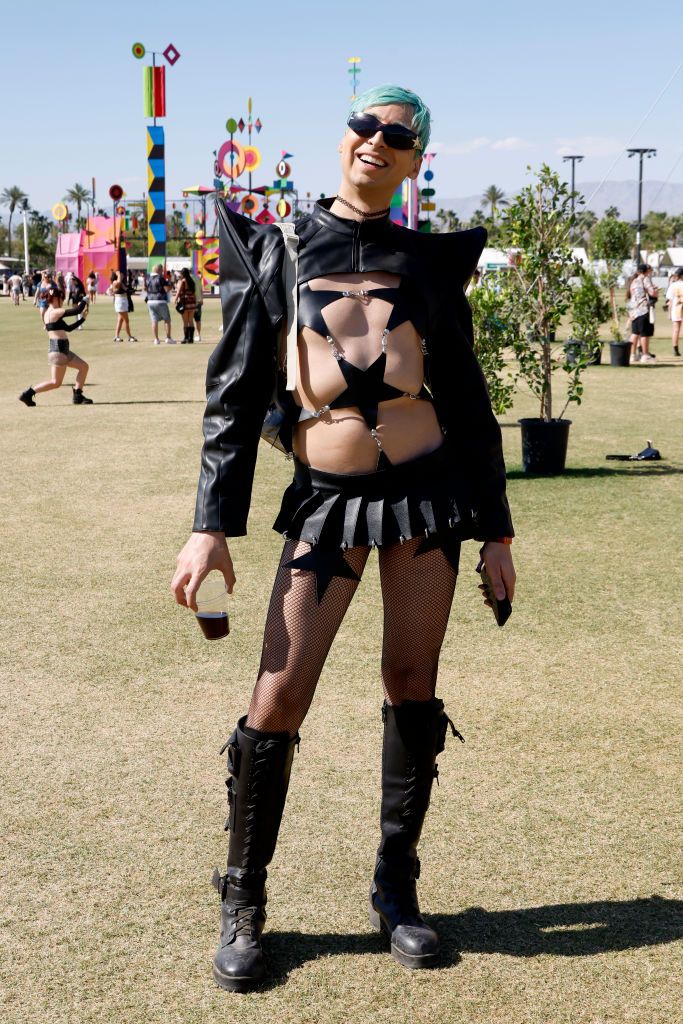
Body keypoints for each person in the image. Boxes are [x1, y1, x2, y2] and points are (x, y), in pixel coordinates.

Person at [171, 84, 515, 992]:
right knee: (279, 695)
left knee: (412, 683)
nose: (377, 142)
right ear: (343, 139)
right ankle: (243, 898)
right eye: (365, 126)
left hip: (427, 502)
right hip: (325, 503)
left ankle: (395, 892)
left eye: (397, 136)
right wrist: (210, 529)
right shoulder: (280, 246)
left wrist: (498, 533)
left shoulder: (428, 263)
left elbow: (470, 404)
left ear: (414, 158)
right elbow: (234, 398)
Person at [18, 283, 92, 406]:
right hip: (58, 350)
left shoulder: (49, 312)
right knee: (55, 383)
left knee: (84, 367)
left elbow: (68, 329)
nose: (63, 301)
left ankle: (78, 395)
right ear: (57, 298)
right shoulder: (54, 312)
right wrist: (84, 299)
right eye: (62, 298)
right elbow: (77, 310)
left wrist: (82, 319)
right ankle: (28, 394)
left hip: (62, 349)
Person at [628, 262, 658, 363]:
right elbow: (652, 292)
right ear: (646, 271)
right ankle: (645, 355)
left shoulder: (633, 281)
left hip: (633, 309)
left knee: (635, 333)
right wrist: (656, 291)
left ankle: (632, 355)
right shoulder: (645, 279)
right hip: (643, 309)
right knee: (645, 333)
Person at [146, 263, 175, 344]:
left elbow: (146, 289)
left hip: (150, 301)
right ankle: (168, 338)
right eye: (162, 270)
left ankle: (156, 339)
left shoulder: (148, 278)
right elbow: (167, 289)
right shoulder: (160, 278)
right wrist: (170, 282)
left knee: (154, 320)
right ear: (159, 270)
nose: (162, 272)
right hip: (160, 300)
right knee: (167, 319)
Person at [109, 271, 137, 343]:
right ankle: (129, 337)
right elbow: (118, 283)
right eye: (121, 274)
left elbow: (125, 289)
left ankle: (116, 336)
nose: (122, 275)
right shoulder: (115, 282)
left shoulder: (121, 282)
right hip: (120, 301)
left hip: (123, 301)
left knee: (120, 320)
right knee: (126, 320)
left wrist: (132, 291)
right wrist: (118, 274)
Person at [175, 267, 197, 343]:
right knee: (191, 320)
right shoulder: (192, 281)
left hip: (185, 301)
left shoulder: (183, 281)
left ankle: (186, 338)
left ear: (183, 274)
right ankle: (191, 339)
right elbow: (194, 292)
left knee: (185, 321)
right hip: (192, 301)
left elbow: (179, 291)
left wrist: (175, 299)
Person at [665, 267, 683, 356]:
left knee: (676, 330)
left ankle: (675, 349)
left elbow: (670, 300)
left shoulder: (673, 285)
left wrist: (669, 313)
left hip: (676, 309)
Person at [191, 268, 204, 341]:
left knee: (190, 319)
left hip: (191, 301)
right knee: (198, 319)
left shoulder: (188, 279)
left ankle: (191, 335)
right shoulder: (198, 279)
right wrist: (202, 299)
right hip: (198, 301)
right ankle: (199, 335)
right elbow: (201, 290)